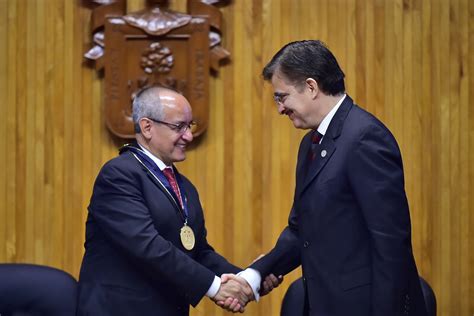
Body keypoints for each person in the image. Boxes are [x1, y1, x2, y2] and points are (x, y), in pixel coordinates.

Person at [235, 40, 428, 315]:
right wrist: (255, 275)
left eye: (282, 97)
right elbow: (301, 231)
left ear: (311, 87)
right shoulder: (311, 144)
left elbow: (390, 244)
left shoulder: (364, 138)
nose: (280, 109)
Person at [77, 86, 253, 315]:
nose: (188, 136)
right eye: (178, 126)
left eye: (189, 126)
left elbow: (198, 252)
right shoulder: (119, 175)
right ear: (147, 127)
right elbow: (147, 246)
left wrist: (248, 277)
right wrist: (216, 287)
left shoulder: (184, 186)